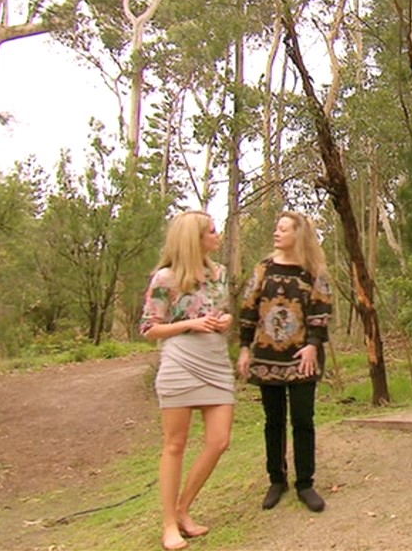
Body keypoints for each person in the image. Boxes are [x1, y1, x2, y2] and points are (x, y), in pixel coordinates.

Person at [139, 210, 236, 551]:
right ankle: (169, 523)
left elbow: (221, 311)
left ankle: (183, 508)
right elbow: (149, 328)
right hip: (180, 362)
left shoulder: (219, 273)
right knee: (175, 444)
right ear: (193, 239)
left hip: (216, 362)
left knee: (219, 440)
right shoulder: (165, 278)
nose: (217, 235)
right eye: (211, 231)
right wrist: (189, 324)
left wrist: (225, 320)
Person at [238, 211, 332, 512]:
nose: (276, 233)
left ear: (297, 235)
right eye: (276, 228)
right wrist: (244, 347)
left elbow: (321, 311)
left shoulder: (312, 271)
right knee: (274, 421)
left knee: (303, 420)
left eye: (283, 229)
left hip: (302, 357)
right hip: (268, 356)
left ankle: (305, 483)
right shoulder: (263, 269)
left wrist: (313, 345)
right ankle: (276, 480)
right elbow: (248, 308)